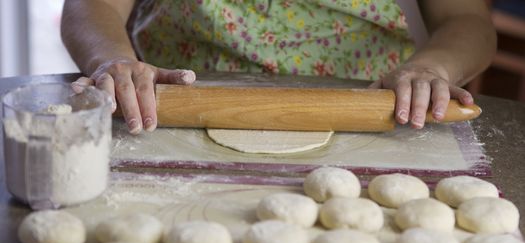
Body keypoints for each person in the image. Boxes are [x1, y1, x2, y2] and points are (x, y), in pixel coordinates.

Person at [61, 0, 496, 134]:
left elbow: (468, 21)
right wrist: (113, 59)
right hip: (165, 110)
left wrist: (431, 68)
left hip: (369, 108)